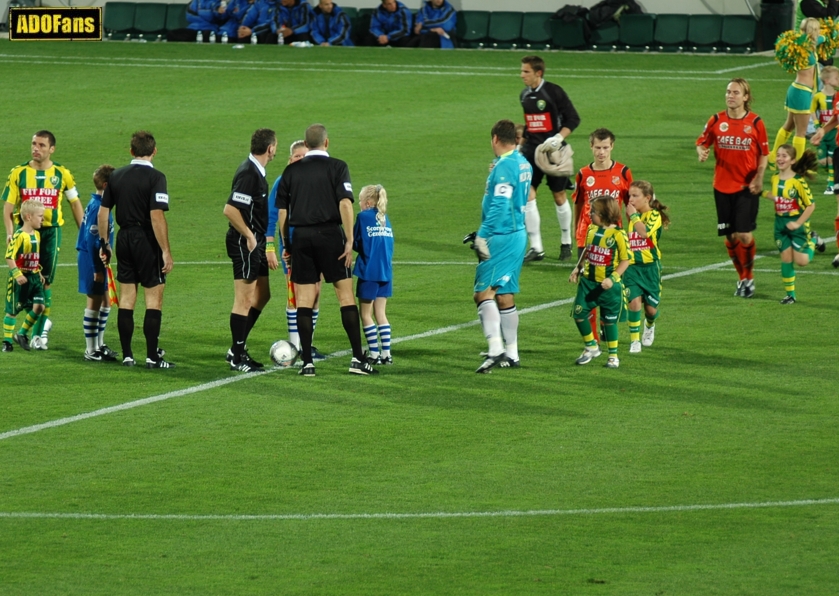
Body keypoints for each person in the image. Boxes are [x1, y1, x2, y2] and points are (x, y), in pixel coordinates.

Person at [276, 123, 378, 377]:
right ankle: (357, 359)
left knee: (304, 301)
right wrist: (349, 240)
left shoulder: (291, 171)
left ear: (306, 145)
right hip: (330, 235)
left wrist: (287, 245)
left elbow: (282, 213)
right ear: (326, 142)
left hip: (301, 237)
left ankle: (307, 363)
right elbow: (345, 203)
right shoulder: (337, 167)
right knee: (345, 297)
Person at [98, 131, 175, 369]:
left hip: (123, 238)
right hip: (146, 239)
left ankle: (128, 355)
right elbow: (156, 215)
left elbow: (103, 213)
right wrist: (165, 250)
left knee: (127, 298)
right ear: (154, 151)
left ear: (131, 151)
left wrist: (105, 243)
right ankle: (152, 356)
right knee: (153, 299)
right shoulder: (157, 177)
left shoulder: (116, 176)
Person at [2, 130, 84, 350]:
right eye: (33, 144)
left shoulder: (61, 174)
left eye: (41, 145)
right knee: (21, 281)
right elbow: (8, 208)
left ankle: (36, 334)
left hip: (50, 233)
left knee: (44, 281)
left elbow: (74, 203)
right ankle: (18, 331)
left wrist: (83, 232)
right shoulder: (18, 173)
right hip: (24, 233)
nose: (35, 148)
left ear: (51, 149)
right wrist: (10, 232)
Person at [696, 78, 769, 298]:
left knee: (744, 234)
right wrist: (701, 151)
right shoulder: (716, 120)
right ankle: (741, 279)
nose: (730, 96)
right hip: (721, 186)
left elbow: (764, 153)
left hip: (746, 187)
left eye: (736, 92)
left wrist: (759, 176)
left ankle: (749, 277)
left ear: (746, 97)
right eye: (728, 92)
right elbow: (702, 141)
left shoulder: (756, 123)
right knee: (730, 237)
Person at [472, 119, 531, 374]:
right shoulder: (521, 162)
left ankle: (496, 348)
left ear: (495, 138)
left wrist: (482, 235)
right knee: (504, 295)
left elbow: (500, 204)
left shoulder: (506, 166)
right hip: (516, 233)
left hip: (502, 236)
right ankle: (512, 354)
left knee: (483, 293)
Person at [572, 128, 633, 344]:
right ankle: (593, 340)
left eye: (605, 148)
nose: (601, 152)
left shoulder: (623, 173)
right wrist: (576, 235)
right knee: (587, 286)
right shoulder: (583, 174)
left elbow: (629, 205)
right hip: (587, 238)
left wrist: (632, 231)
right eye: (597, 148)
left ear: (612, 147)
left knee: (610, 285)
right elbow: (578, 206)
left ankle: (607, 328)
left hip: (612, 240)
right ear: (591, 147)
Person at [224, 128, 277, 372]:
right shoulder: (249, 173)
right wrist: (248, 236)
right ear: (270, 148)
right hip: (245, 242)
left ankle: (237, 347)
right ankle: (236, 355)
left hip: (256, 241)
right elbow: (230, 209)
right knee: (244, 299)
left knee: (262, 294)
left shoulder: (257, 171)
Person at [267, 140, 325, 359]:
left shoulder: (314, 180)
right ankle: (295, 346)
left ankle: (307, 344)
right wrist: (270, 248)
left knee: (316, 293)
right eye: (297, 156)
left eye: (305, 156)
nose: (301, 160)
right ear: (290, 159)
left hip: (315, 245)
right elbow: (271, 218)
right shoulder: (283, 182)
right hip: (291, 248)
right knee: (295, 296)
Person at [519, 55, 581, 263]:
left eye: (526, 71)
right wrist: (522, 146)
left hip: (555, 152)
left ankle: (566, 242)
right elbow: (531, 124)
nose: (522, 75)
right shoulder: (524, 95)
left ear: (538, 73)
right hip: (531, 151)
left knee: (559, 195)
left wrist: (558, 137)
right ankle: (536, 247)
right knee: (528, 193)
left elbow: (573, 118)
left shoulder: (554, 92)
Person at [569, 196, 630, 369]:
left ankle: (613, 356)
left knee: (609, 321)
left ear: (603, 214)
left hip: (609, 287)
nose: (589, 213)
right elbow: (587, 251)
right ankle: (591, 346)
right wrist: (577, 268)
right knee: (579, 313)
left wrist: (613, 279)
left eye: (593, 211)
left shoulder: (619, 235)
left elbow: (626, 260)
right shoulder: (590, 230)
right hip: (588, 282)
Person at [764, 144, 819, 303]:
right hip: (780, 224)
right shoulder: (774, 177)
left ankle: (813, 239)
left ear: (792, 160)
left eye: (784, 156)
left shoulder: (798, 182)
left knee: (801, 262)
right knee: (786, 258)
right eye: (778, 155)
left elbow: (811, 205)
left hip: (797, 224)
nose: (780, 158)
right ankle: (790, 295)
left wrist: (797, 223)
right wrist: (759, 192)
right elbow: (776, 197)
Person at [76, 164, 119, 362]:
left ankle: (99, 345)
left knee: (106, 301)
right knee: (94, 302)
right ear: (106, 185)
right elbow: (92, 241)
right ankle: (90, 349)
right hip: (90, 258)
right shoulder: (98, 207)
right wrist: (96, 269)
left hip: (98, 258)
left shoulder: (102, 204)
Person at [769, 18, 824, 170]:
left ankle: (773, 157)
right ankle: (797, 166)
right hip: (802, 93)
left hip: (796, 89)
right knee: (800, 132)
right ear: (813, 30)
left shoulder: (803, 44)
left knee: (788, 126)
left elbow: (821, 38)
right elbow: (819, 39)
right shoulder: (804, 48)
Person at [623, 180, 670, 354]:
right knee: (634, 302)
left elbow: (644, 232)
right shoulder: (632, 216)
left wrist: (633, 216)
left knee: (651, 310)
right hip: (632, 268)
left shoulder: (654, 216)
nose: (631, 200)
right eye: (630, 196)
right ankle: (634, 340)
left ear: (647, 198)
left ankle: (649, 325)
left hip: (650, 268)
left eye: (635, 196)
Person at [353, 184, 394, 365]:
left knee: (366, 315)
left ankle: (374, 354)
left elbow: (354, 242)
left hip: (369, 271)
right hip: (386, 273)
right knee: (381, 314)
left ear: (368, 202)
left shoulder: (363, 217)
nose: (359, 205)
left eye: (360, 201)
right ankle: (386, 354)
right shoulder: (385, 218)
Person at [3, 201, 45, 352]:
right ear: (28, 217)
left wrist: (39, 272)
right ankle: (7, 342)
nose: (43, 219)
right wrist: (16, 274)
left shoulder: (38, 235)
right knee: (13, 309)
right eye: (40, 216)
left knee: (40, 306)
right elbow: (9, 256)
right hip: (20, 278)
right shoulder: (19, 235)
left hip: (34, 277)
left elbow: (35, 256)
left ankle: (21, 334)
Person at [811, 66, 839, 193]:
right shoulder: (825, 96)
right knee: (823, 162)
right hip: (830, 137)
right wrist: (820, 128)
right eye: (837, 78)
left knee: (831, 159)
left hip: (835, 136)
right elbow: (835, 117)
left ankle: (831, 182)